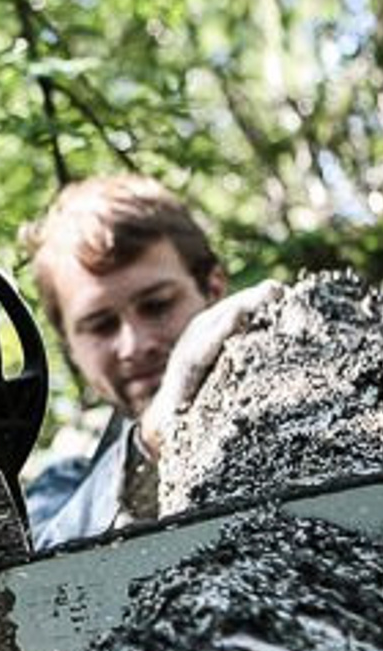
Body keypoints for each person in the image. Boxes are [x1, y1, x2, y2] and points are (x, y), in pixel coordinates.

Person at [21, 174, 280, 550]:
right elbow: (35, 571)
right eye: (101, 326)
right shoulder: (64, 488)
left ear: (214, 290)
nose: (134, 345)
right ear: (71, 349)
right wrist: (149, 447)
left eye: (157, 306)